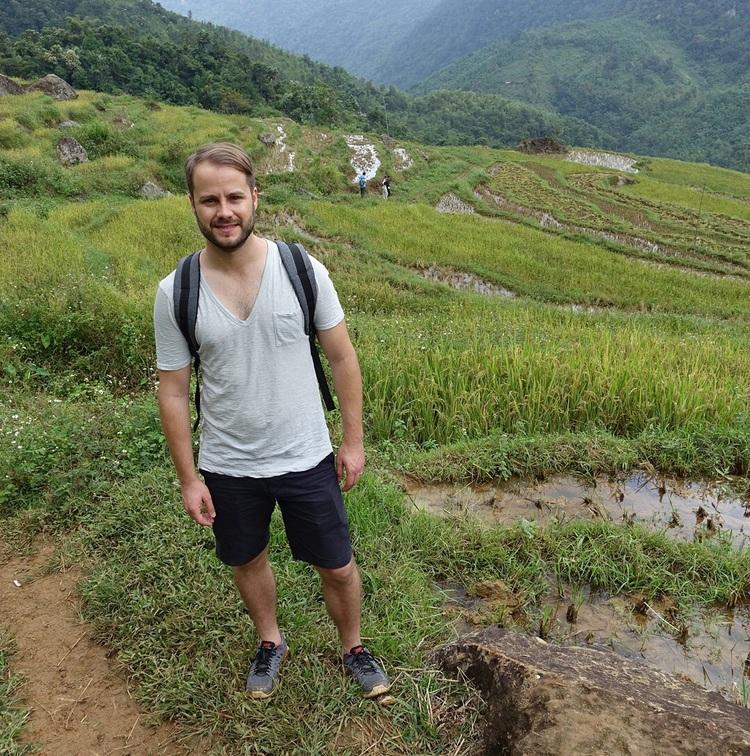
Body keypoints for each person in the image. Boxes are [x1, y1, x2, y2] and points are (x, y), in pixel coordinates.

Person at [153, 143, 390, 701]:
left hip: (306, 454)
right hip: (229, 465)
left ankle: (353, 645)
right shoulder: (177, 291)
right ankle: (271, 641)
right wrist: (190, 478)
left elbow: (342, 357)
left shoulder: (302, 269)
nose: (224, 210)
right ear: (193, 204)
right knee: (247, 557)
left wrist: (352, 442)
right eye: (210, 199)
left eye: (235, 196)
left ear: (255, 198)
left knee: (336, 565)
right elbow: (174, 389)